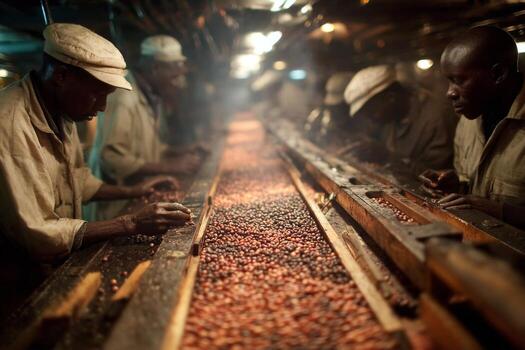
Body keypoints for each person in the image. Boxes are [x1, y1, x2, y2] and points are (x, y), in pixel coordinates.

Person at [0, 23, 191, 263]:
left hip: (55, 260)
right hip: (18, 281)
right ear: (61, 76)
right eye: (97, 94)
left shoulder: (60, 111)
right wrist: (131, 222)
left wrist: (134, 191)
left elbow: (78, 180)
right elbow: (38, 232)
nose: (101, 107)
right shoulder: (9, 124)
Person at [419, 26, 525, 228]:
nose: (450, 93)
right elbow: (472, 183)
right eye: (449, 81)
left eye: (459, 80)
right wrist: (455, 184)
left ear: (498, 74)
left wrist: (497, 210)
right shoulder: (469, 119)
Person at [91, 35, 201, 220]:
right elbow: (111, 158)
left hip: (138, 198)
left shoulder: (152, 96)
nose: (177, 82)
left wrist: (179, 152)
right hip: (117, 208)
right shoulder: (123, 97)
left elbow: (147, 146)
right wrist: (168, 166)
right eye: (174, 76)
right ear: (156, 68)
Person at [343, 65, 456, 172]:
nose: (372, 119)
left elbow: (437, 177)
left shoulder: (436, 119)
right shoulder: (394, 115)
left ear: (390, 98)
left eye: (372, 112)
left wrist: (387, 157)